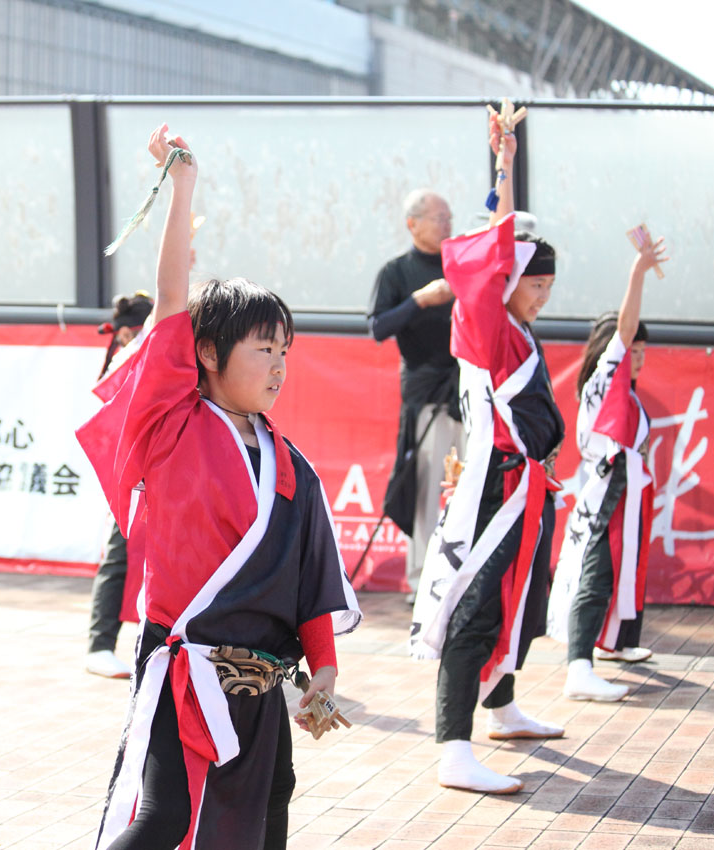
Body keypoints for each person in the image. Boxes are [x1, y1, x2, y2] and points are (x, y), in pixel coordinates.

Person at [78, 125, 361, 850]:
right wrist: (183, 190)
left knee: (268, 815)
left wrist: (323, 666)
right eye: (263, 347)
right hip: (184, 675)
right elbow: (174, 295)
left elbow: (310, 578)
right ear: (207, 352)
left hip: (262, 685)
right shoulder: (173, 423)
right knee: (163, 816)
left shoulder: (289, 463)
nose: (277, 366)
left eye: (285, 351)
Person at [409, 109, 565, 795]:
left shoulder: (518, 334)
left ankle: (500, 707)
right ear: (504, 285)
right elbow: (492, 251)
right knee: (475, 607)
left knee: (514, 601)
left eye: (547, 285)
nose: (542, 294)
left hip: (527, 486)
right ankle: (453, 748)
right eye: (535, 282)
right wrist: (502, 163)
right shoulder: (491, 328)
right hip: (496, 490)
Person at [548, 234, 669, 701]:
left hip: (621, 484)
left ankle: (615, 643)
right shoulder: (607, 375)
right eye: (630, 346)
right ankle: (579, 666)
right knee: (596, 571)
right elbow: (624, 326)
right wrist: (638, 272)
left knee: (619, 566)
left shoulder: (616, 387)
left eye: (641, 349)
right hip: (608, 487)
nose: (636, 353)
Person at [370, 190, 465, 602]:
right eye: (439, 218)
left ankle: (464, 571)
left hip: (467, 388)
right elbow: (378, 327)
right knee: (431, 486)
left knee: (469, 482)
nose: (447, 224)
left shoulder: (460, 264)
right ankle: (422, 576)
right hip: (426, 391)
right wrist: (420, 300)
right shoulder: (397, 271)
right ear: (413, 223)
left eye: (449, 217)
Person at [86, 291, 155, 679]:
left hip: (156, 465)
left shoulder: (138, 349)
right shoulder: (125, 356)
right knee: (119, 552)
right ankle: (99, 645)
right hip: (132, 469)